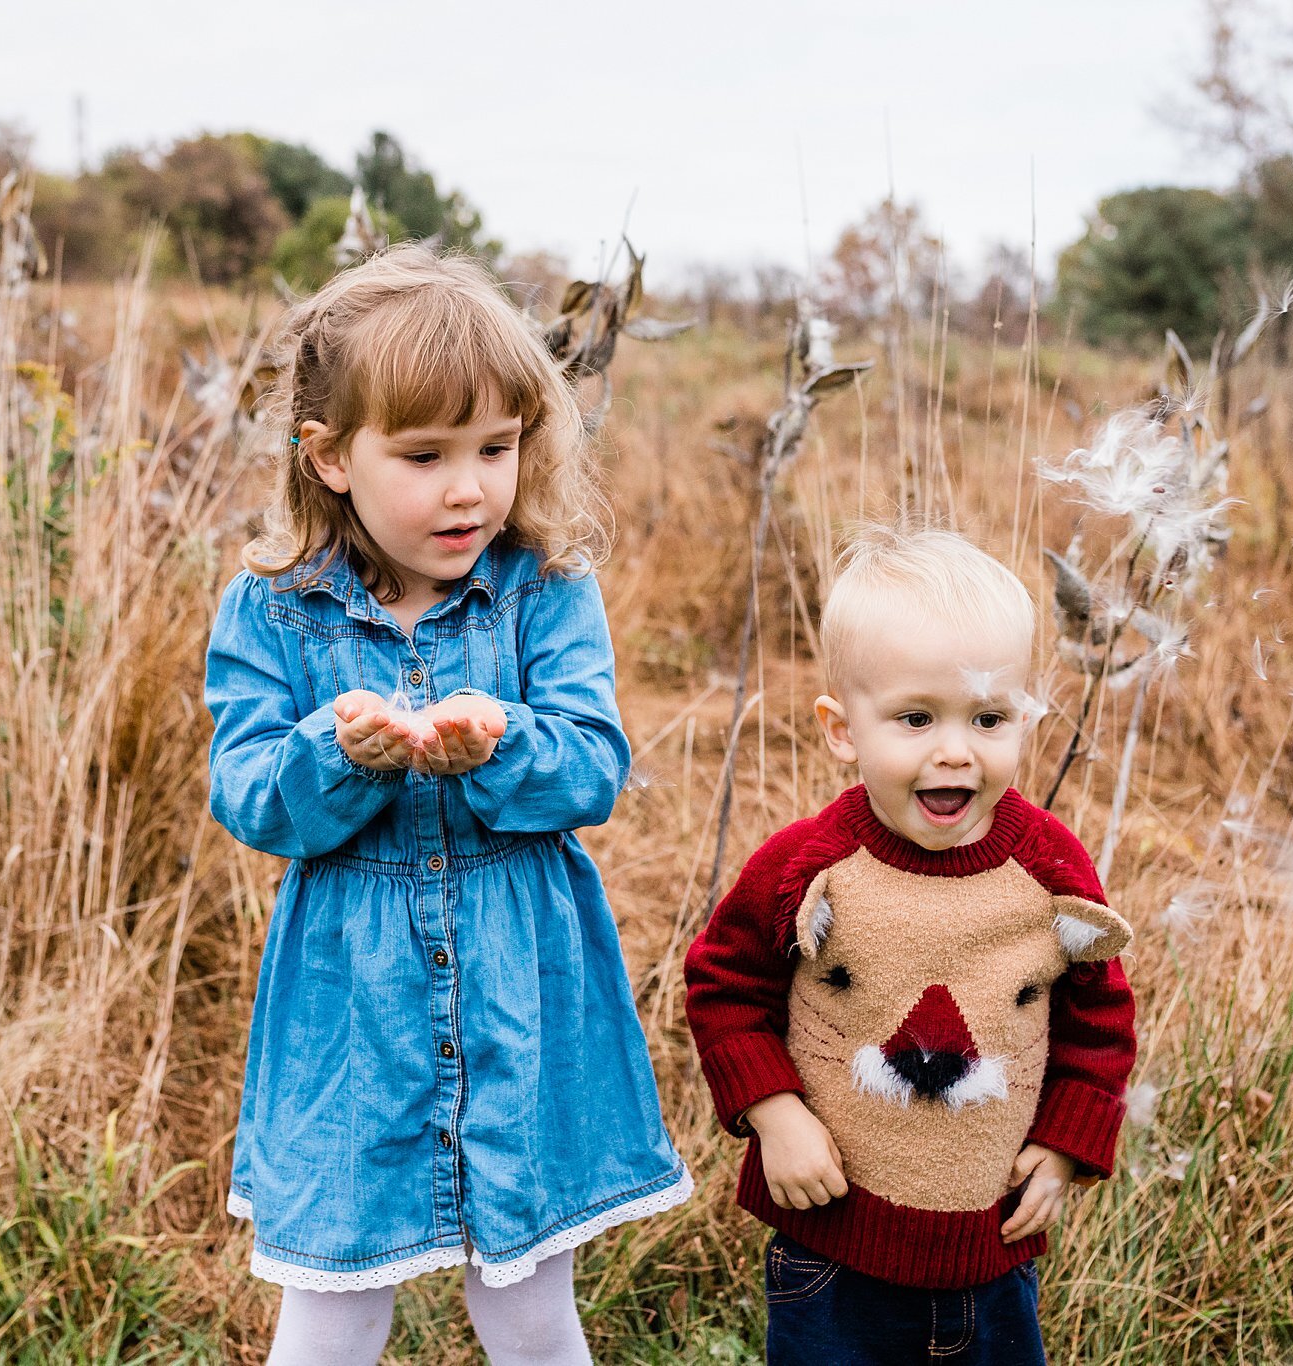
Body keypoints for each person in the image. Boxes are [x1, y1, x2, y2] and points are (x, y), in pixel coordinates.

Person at [204, 244, 689, 1366]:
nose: (467, 486)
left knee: (525, 1301)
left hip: (523, 977)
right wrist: (340, 753)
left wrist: (498, 742)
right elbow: (250, 794)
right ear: (327, 457)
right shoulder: (275, 610)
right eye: (422, 454)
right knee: (327, 1298)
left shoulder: (543, 588)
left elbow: (591, 766)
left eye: (495, 447)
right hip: (347, 1003)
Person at [683, 525, 1138, 1364]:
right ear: (842, 728)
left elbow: (1100, 1018)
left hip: (991, 1255)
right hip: (830, 1253)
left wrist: (1069, 1146)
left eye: (990, 717)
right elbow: (724, 985)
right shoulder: (808, 867)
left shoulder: (1047, 870)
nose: (956, 751)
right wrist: (774, 1113)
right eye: (917, 717)